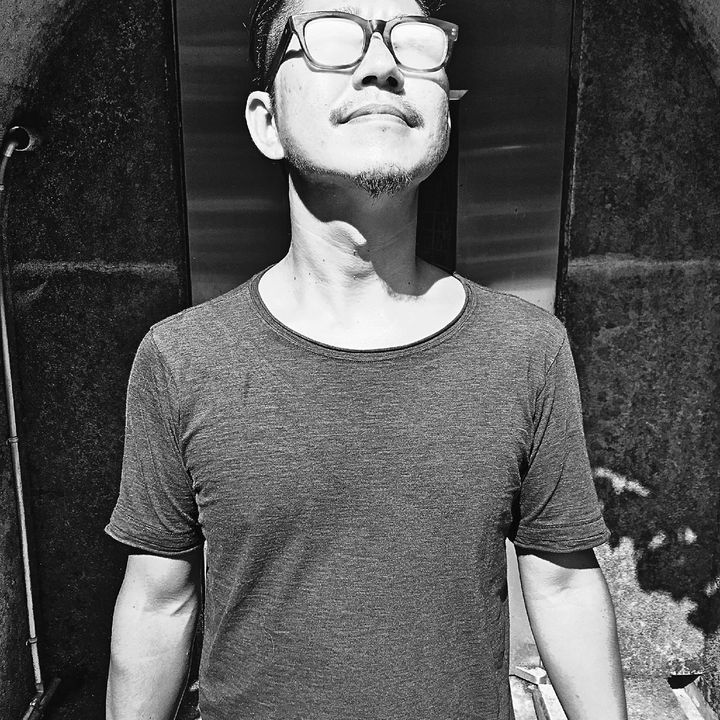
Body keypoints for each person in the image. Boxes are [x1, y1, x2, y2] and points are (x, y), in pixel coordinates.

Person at [105, 0, 628, 718]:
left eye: (415, 45)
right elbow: (158, 602)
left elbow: (564, 584)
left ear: (444, 115)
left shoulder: (526, 349)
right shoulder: (181, 359)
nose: (381, 65)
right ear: (265, 121)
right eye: (333, 37)